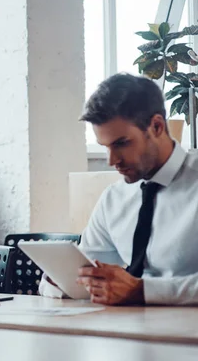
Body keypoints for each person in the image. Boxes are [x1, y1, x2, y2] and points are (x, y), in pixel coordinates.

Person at [39, 73, 198, 305]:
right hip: (124, 332)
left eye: (121, 143)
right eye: (105, 147)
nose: (112, 160)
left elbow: (134, 289)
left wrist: (143, 290)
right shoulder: (114, 198)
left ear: (156, 126)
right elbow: (82, 271)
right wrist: (60, 282)